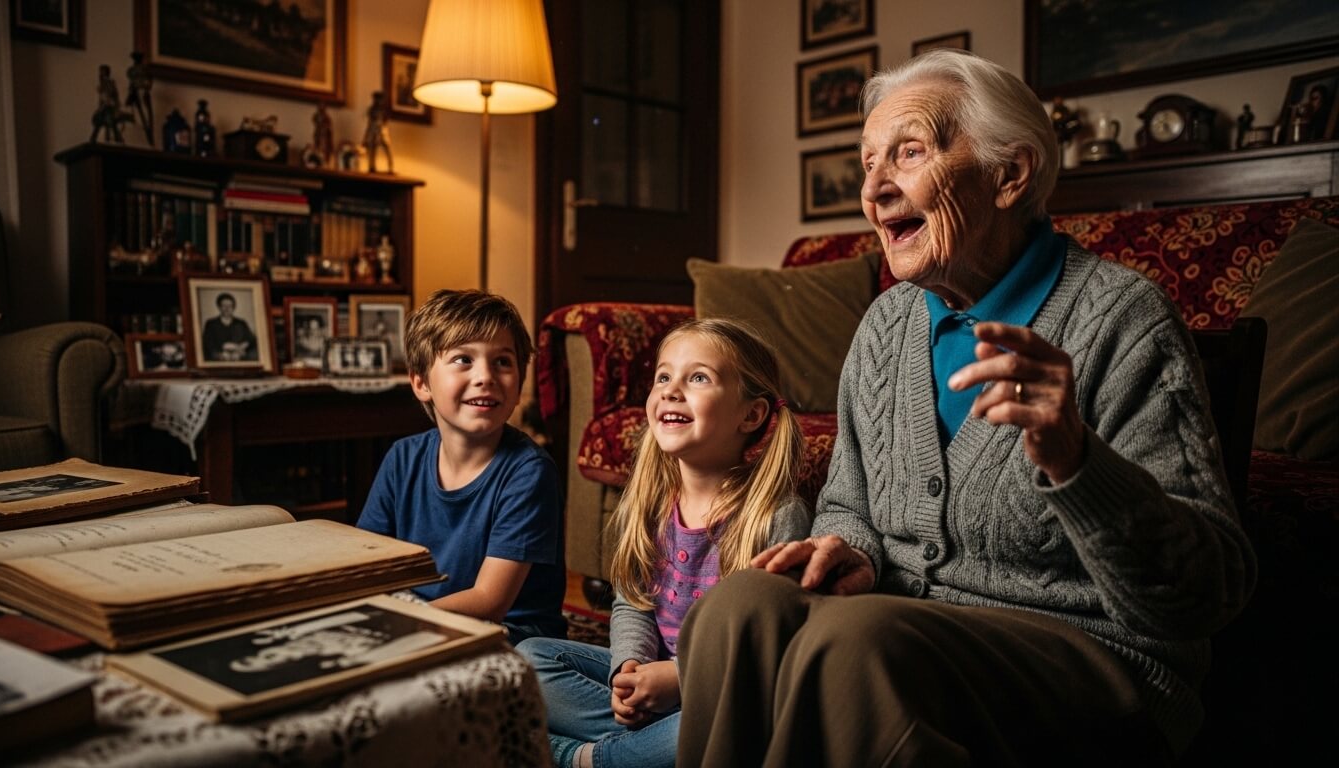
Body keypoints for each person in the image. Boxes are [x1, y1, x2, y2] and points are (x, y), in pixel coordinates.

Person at [676, 50, 1257, 767]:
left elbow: (1207, 593)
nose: (874, 188)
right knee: (738, 608)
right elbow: (847, 504)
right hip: (905, 629)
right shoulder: (886, 325)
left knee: (851, 643)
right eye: (867, 163)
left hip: (1096, 659)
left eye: (909, 152)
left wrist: (1079, 461)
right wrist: (850, 549)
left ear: (1009, 175)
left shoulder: (1122, 318)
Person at [517, 318, 811, 768]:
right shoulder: (651, 502)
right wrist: (628, 670)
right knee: (529, 659)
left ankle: (586, 759)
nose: (672, 390)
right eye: (663, 376)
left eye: (698, 378)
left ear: (750, 415)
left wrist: (678, 678)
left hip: (726, 687)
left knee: (749, 720)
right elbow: (632, 603)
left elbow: (768, 648)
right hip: (656, 683)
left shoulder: (775, 515)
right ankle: (650, 751)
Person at [356, 289, 565, 644]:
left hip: (508, 634)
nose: (485, 376)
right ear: (421, 383)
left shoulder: (529, 472)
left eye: (502, 361)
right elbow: (366, 564)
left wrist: (395, 625)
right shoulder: (401, 459)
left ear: (519, 386)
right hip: (417, 615)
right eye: (463, 359)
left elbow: (490, 600)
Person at [201, 292, 257, 362]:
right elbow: (207, 344)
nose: (227, 308)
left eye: (230, 306)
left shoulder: (241, 323)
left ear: (233, 307)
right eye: (224, 305)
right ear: (219, 307)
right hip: (218, 360)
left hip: (239, 358)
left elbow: (251, 340)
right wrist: (220, 353)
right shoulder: (211, 324)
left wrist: (240, 350)